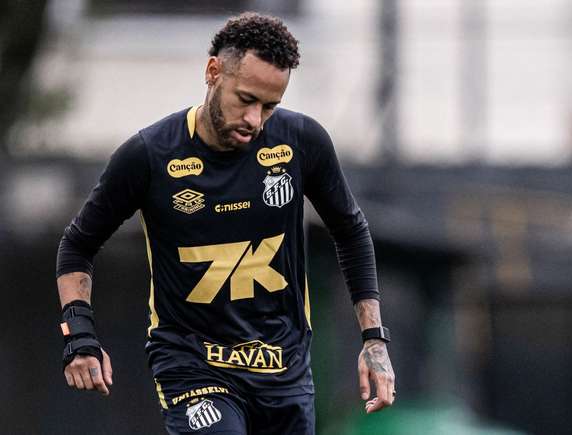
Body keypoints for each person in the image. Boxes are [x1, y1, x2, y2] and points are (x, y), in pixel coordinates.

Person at [55, 12, 395, 435]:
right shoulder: (149, 156)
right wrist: (80, 335)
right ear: (213, 72)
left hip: (284, 371)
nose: (255, 119)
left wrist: (374, 340)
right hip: (192, 367)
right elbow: (77, 245)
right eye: (246, 99)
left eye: (269, 106)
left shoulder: (302, 142)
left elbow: (351, 232)